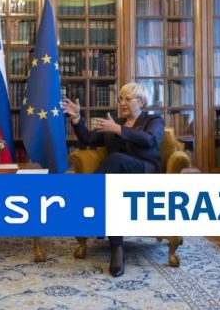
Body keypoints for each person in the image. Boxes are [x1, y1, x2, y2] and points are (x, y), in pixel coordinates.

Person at [61, 82, 163, 277]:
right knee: (111, 191)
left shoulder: (153, 120)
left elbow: (150, 139)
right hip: (117, 177)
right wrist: (76, 117)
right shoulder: (114, 123)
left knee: (115, 159)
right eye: (120, 99)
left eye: (127, 99)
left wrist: (118, 130)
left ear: (140, 103)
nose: (122, 103)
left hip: (144, 172)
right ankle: (117, 249)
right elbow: (88, 139)